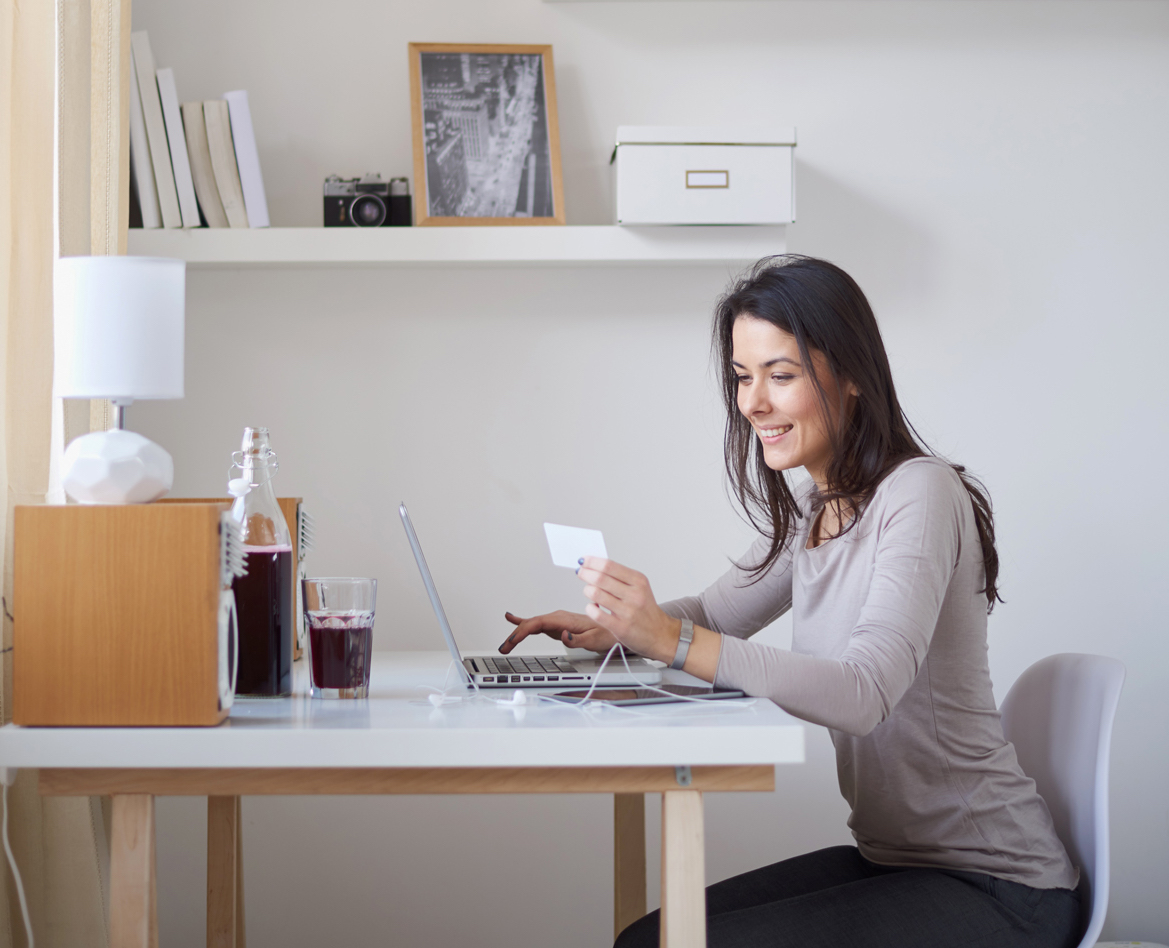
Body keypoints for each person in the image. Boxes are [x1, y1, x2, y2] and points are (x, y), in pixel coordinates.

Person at [498, 256, 1081, 948]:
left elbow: (864, 692)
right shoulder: (815, 508)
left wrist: (668, 639)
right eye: (743, 378)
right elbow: (713, 617)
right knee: (646, 939)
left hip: (1003, 891)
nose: (752, 403)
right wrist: (616, 630)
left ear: (853, 373)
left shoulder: (918, 494)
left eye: (780, 375)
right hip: (896, 864)